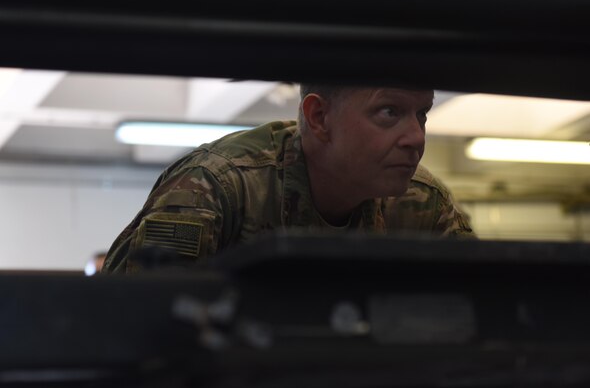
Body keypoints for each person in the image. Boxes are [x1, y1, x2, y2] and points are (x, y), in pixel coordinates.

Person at [103, 85, 474, 273]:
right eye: (388, 112)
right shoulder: (214, 186)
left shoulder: (423, 202)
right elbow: (137, 333)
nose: (416, 137)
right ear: (319, 117)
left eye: (421, 114)